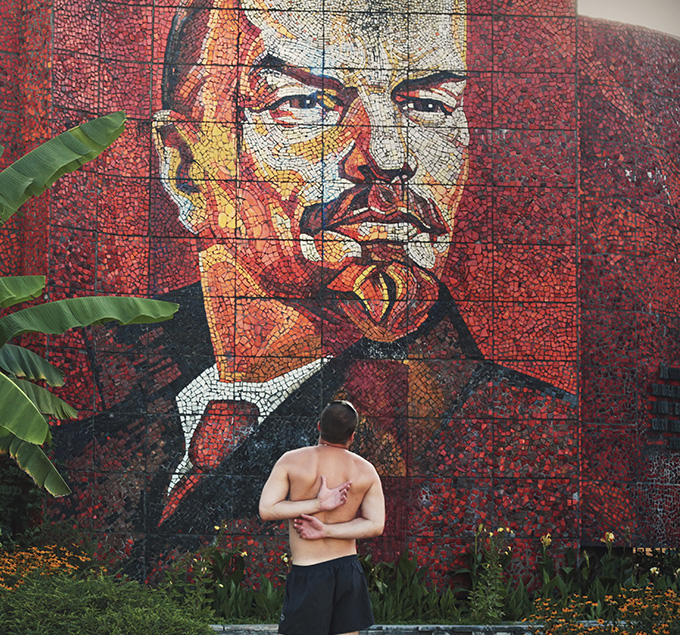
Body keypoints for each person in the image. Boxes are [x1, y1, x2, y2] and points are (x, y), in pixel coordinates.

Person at [51, 0, 576, 569]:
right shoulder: (83, 430)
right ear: (184, 165)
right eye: (304, 103)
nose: (390, 156)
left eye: (427, 105)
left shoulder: (524, 437)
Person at [222, 400, 384, 635]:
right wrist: (330, 518)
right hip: (348, 571)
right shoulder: (365, 470)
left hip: (310, 574)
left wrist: (315, 511)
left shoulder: (293, 461)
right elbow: (374, 525)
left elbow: (267, 508)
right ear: (353, 435)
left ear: (318, 426)